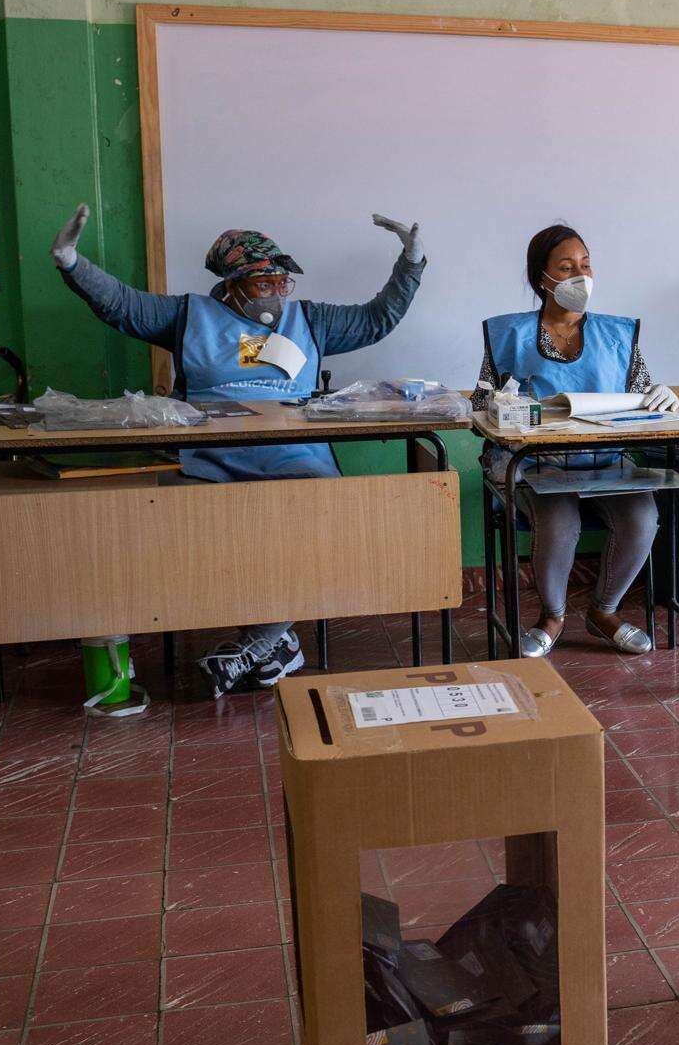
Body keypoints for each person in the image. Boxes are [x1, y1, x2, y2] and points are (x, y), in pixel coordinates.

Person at [49, 203, 427, 696]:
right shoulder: (188, 316)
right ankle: (275, 643)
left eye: (281, 282)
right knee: (163, 522)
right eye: (262, 283)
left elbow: (378, 318)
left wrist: (410, 262)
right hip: (209, 457)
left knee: (322, 517)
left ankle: (257, 644)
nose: (275, 292)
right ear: (231, 284)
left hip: (294, 457)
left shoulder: (310, 319)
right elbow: (122, 304)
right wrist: (72, 263)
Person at [476, 225, 677, 658]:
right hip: (535, 465)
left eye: (586, 265)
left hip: (606, 461)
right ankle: (553, 616)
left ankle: (604, 611)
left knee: (643, 517)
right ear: (542, 278)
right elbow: (480, 403)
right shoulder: (510, 335)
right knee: (559, 522)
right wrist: (500, 404)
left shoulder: (616, 335)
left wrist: (660, 396)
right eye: (567, 268)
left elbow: (642, 396)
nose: (580, 276)